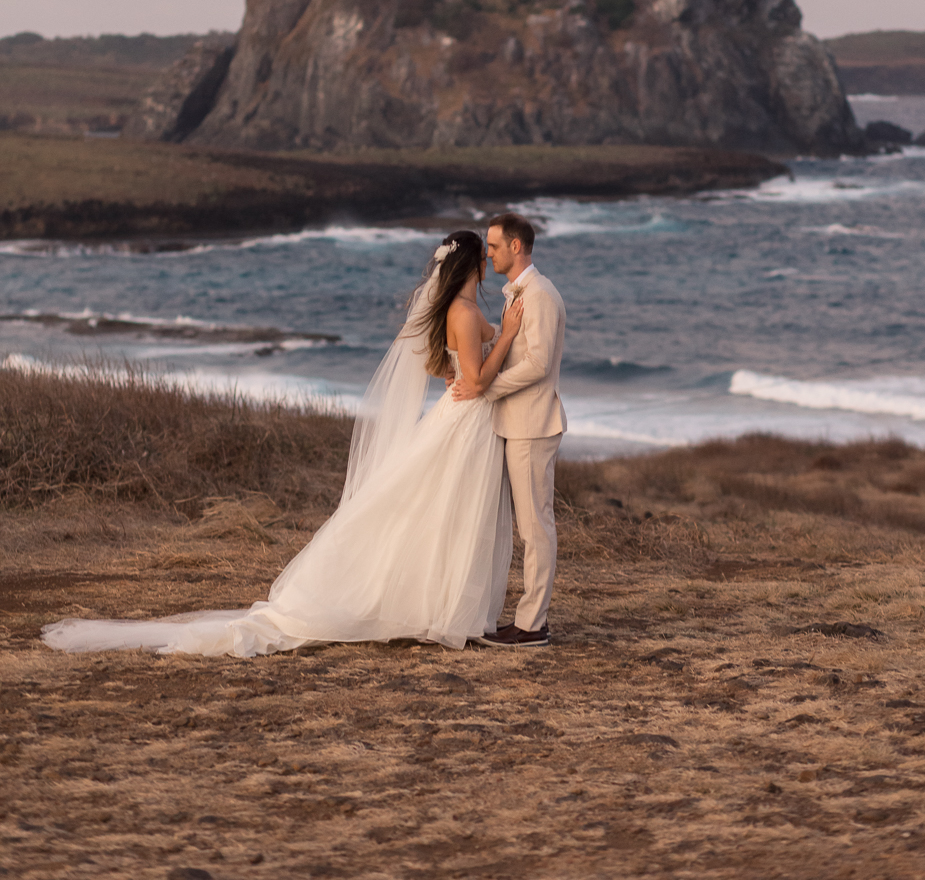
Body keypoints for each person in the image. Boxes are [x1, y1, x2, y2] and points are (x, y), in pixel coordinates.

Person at [41, 231, 523, 658]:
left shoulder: (456, 310)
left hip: (460, 420)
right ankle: (440, 609)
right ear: (473, 265)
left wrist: (455, 373)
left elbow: (441, 366)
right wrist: (509, 337)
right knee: (449, 513)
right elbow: (477, 381)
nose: (489, 262)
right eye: (486, 256)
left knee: (441, 512)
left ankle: (438, 606)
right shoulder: (464, 311)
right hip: (465, 421)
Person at [452, 212, 566, 650]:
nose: (489, 254)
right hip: (515, 423)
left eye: (495, 246)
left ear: (516, 246)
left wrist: (485, 388)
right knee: (524, 527)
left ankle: (532, 625)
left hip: (533, 426)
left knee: (535, 528)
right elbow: (514, 344)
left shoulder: (539, 295)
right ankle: (522, 618)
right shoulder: (520, 294)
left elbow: (537, 364)